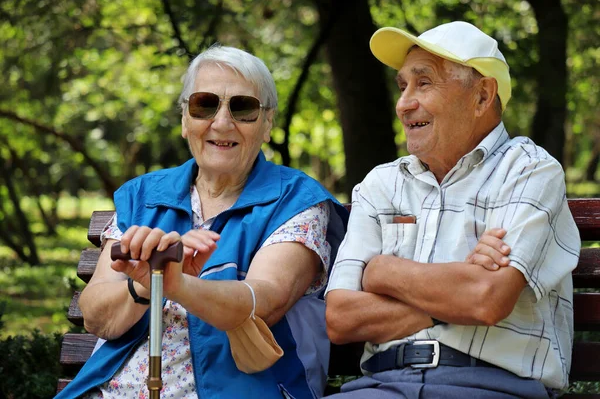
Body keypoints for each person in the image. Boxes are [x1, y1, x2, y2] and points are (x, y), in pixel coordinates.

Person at [56, 44, 348, 399]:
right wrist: (148, 285)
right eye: (204, 105)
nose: (222, 122)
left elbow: (264, 301)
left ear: (267, 124)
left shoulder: (298, 201)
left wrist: (175, 284)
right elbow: (95, 315)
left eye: (243, 108)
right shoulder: (144, 195)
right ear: (185, 120)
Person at [325, 21, 580, 399]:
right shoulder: (381, 184)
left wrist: (384, 271)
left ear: (482, 95)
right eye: (402, 86)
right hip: (381, 387)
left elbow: (485, 299)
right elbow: (341, 317)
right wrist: (457, 291)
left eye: (423, 83)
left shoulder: (529, 170)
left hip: (492, 387)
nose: (403, 103)